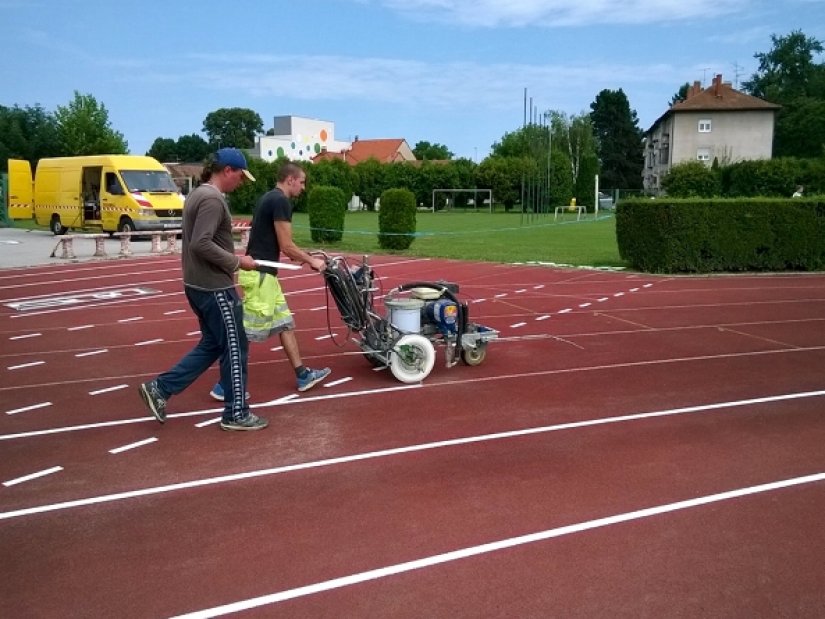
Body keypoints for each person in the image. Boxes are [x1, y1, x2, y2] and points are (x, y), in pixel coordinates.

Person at [138, 148, 267, 431]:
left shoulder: (197, 194)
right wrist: (237, 262)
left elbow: (201, 241)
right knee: (235, 347)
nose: (241, 183)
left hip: (198, 285)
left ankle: (160, 388)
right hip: (214, 287)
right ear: (227, 171)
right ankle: (236, 412)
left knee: (212, 344)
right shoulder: (211, 199)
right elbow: (201, 243)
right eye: (240, 176)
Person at [209, 161, 331, 400]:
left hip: (266, 276)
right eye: (302, 182)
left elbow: (279, 243)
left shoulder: (268, 198)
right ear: (290, 180)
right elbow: (286, 245)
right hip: (261, 276)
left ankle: (302, 374)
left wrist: (304, 256)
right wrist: (311, 260)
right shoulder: (281, 202)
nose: (303, 188)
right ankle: (224, 385)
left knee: (285, 324)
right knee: (246, 332)